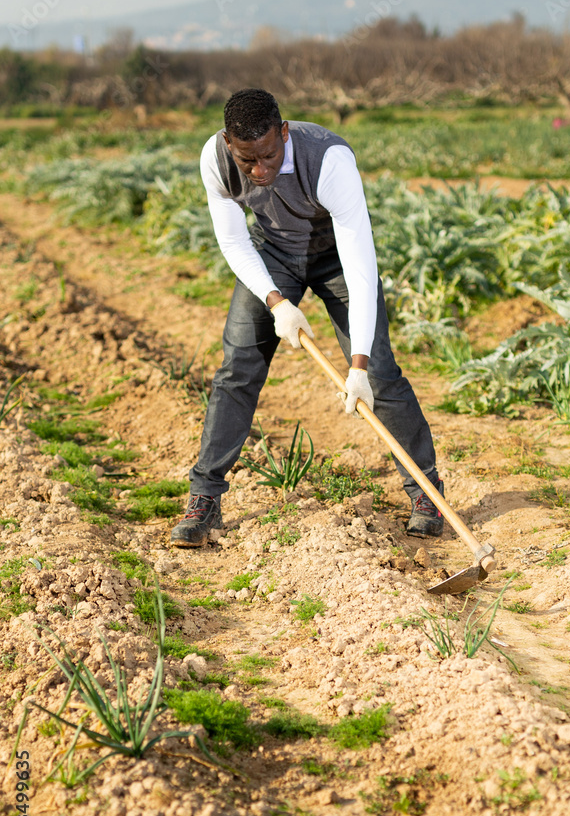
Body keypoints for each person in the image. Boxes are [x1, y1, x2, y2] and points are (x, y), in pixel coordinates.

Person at [171, 88, 444, 548]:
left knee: (379, 372)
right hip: (273, 256)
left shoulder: (330, 159)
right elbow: (235, 241)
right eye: (247, 161)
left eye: (269, 155)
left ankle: (427, 494)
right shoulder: (216, 159)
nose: (260, 170)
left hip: (337, 258)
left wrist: (357, 366)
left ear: (285, 132)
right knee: (237, 368)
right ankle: (205, 498)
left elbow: (360, 265)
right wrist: (276, 301)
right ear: (228, 143)